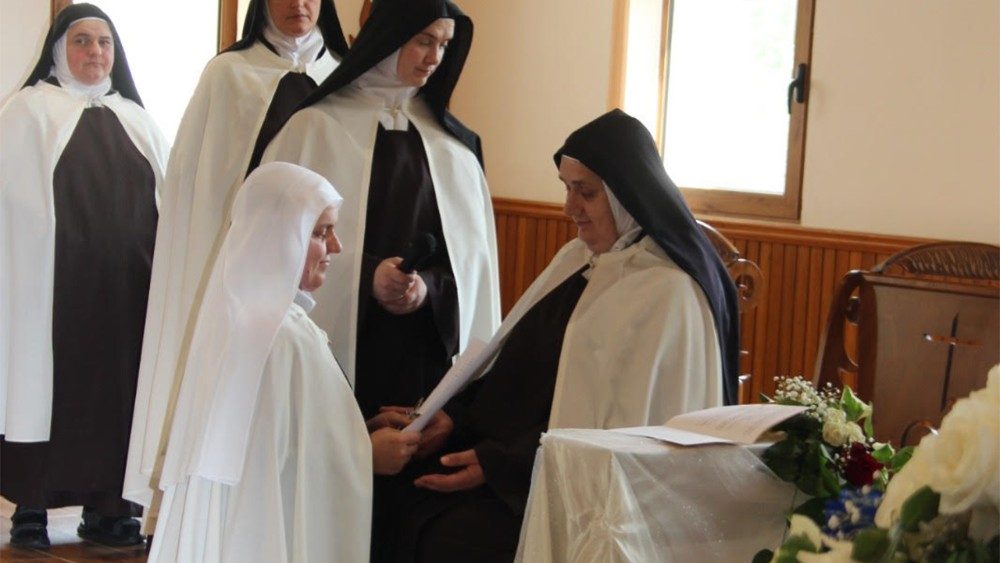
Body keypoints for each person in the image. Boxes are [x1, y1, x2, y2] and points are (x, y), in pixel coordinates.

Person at [393, 109, 741, 562]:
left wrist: (501, 465)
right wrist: (453, 419)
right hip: (520, 464)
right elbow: (519, 365)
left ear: (626, 195)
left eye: (586, 192)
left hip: (586, 499)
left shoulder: (668, 292)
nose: (569, 208)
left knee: (446, 536)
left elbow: (627, 437)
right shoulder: (578, 259)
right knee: (399, 492)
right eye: (566, 188)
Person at [260, 4, 501, 560]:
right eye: (423, 40)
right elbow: (274, 244)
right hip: (345, 353)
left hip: (425, 352)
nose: (434, 57)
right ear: (389, 37)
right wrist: (368, 275)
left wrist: (427, 289)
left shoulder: (454, 145)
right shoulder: (313, 129)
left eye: (444, 44)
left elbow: (473, 268)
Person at [124, 0, 349, 510]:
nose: (298, 5)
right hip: (243, 269)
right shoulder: (228, 75)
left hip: (322, 265)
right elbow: (199, 184)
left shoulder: (344, 78)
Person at [148, 162, 421, 563]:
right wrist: (365, 455)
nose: (336, 247)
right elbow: (269, 466)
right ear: (280, 234)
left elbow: (283, 437)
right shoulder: (279, 335)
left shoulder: (246, 316)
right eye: (320, 232)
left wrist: (359, 433)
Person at [0, 3, 169, 549]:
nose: (95, 52)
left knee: (121, 396)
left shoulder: (138, 119)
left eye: (104, 42)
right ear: (57, 50)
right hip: (52, 289)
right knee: (45, 390)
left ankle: (112, 510)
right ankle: (31, 507)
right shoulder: (27, 111)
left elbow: (169, 204)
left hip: (128, 292)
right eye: (81, 41)